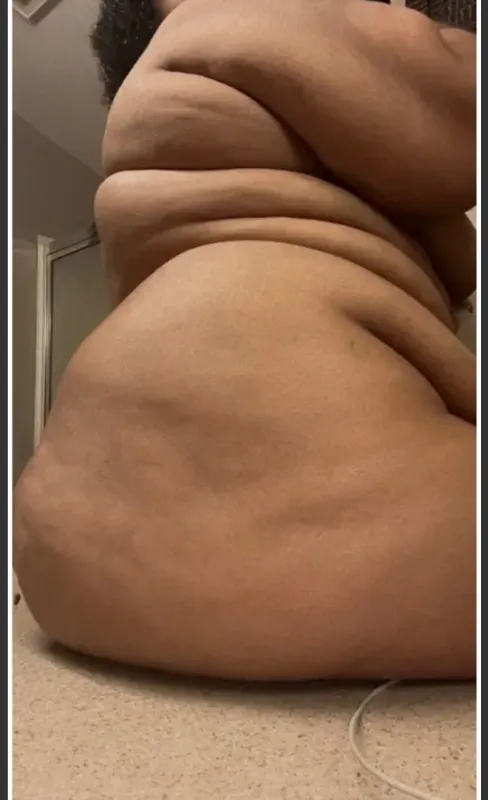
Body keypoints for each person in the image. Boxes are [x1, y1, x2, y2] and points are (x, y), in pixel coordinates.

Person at [13, 0, 476, 681]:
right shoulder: (230, 24)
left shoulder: (154, 156)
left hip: (60, 553)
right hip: (324, 510)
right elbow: (460, 112)